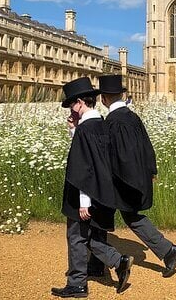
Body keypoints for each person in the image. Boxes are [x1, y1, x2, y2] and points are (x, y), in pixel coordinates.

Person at [87, 75, 176, 278]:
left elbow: (121, 157)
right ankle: (167, 251)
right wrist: (150, 171)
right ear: (122, 94)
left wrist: (109, 179)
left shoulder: (115, 121)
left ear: (103, 98)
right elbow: (147, 146)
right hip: (134, 176)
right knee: (130, 216)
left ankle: (98, 264)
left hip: (120, 179)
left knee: (100, 216)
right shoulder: (131, 116)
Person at [51, 77, 134, 298]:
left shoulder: (85, 131)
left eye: (71, 104)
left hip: (84, 193)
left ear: (79, 102)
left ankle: (78, 282)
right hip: (104, 191)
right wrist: (73, 130)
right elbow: (97, 158)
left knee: (77, 236)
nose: (70, 109)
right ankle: (97, 267)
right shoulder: (102, 124)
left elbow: (83, 167)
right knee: (96, 231)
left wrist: (83, 202)